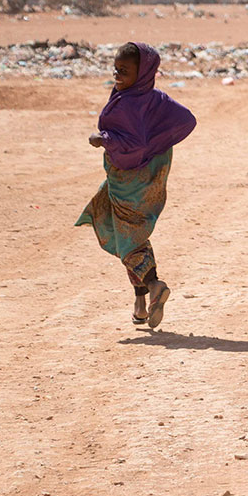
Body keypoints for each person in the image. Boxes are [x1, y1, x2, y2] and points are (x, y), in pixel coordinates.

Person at [76, 42, 196, 329]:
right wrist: (157, 147)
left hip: (128, 182)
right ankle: (140, 304)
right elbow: (185, 120)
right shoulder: (150, 98)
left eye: (125, 71)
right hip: (142, 180)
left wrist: (105, 141)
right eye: (116, 69)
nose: (118, 75)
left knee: (127, 238)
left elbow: (134, 142)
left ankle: (154, 285)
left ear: (141, 72)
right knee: (128, 234)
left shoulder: (130, 102)